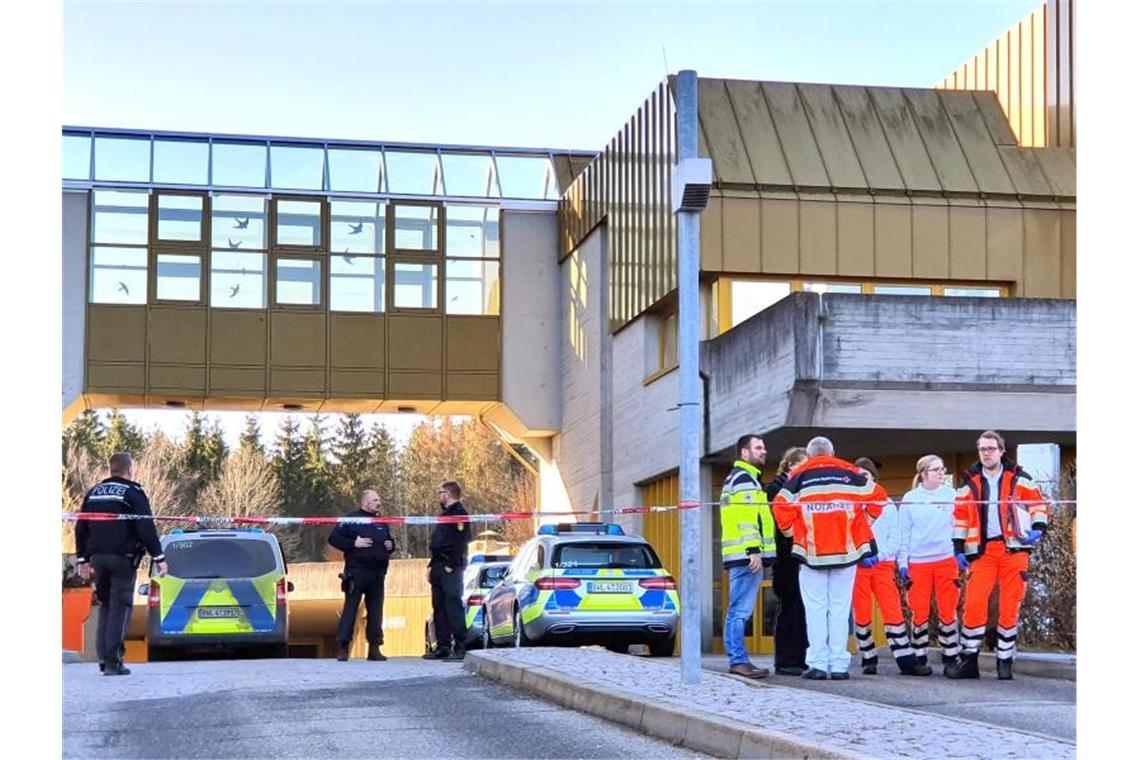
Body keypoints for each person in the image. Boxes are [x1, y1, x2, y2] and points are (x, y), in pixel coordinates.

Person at [772, 436, 886, 681]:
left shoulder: (798, 476)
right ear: (832, 453)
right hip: (846, 553)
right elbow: (879, 498)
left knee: (815, 609)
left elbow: (780, 507)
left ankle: (818, 664)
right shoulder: (851, 473)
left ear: (811, 456)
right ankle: (839, 665)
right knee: (840, 609)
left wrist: (794, 533)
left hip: (812, 554)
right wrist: (863, 526)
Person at [946, 431, 1047, 680]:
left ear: (1001, 451)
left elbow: (1038, 506)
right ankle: (969, 660)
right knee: (973, 604)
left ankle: (1005, 662)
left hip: (1014, 550)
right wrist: (958, 548)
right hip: (983, 552)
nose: (987, 453)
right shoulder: (969, 482)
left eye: (991, 448)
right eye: (982, 449)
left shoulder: (1020, 479)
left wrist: (1038, 529)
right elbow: (959, 518)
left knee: (1010, 605)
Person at [75, 452, 168, 677]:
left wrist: (82, 559)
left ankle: (104, 659)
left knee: (106, 606)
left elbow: (80, 527)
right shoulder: (133, 492)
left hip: (97, 559)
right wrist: (159, 557)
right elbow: (145, 526)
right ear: (129, 470)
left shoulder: (94, 492)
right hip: (122, 559)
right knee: (120, 607)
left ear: (111, 469)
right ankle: (114, 661)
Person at [851, 457, 928, 677]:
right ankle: (867, 657)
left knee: (892, 609)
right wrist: (860, 556)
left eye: (865, 475)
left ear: (874, 478)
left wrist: (878, 555)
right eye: (858, 475)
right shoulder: (851, 505)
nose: (862, 479)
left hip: (882, 565)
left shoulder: (886, 505)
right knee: (862, 612)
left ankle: (905, 659)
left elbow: (896, 536)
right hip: (858, 567)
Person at [719, 434, 776, 679]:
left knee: (740, 611)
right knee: (739, 612)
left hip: (743, 555)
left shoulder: (745, 478)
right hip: (746, 556)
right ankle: (738, 661)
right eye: (758, 447)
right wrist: (754, 550)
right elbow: (747, 519)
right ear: (744, 453)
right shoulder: (744, 479)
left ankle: (741, 660)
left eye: (763, 447)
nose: (764, 451)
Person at [897, 455, 960, 676]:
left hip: (945, 559)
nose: (941, 473)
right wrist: (902, 563)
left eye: (943, 469)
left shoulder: (952, 496)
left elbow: (959, 527)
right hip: (918, 561)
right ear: (924, 473)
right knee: (919, 611)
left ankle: (951, 656)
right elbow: (903, 533)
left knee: (948, 610)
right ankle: (919, 656)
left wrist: (959, 553)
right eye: (936, 470)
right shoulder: (911, 498)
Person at [328, 490, 396, 662]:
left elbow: (388, 540)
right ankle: (343, 648)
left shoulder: (381, 522)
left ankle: (374, 648)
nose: (379, 503)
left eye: (379, 500)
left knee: (376, 612)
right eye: (375, 500)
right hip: (356, 572)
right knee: (350, 610)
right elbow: (333, 538)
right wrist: (353, 543)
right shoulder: (351, 519)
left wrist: (391, 545)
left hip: (377, 573)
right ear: (365, 502)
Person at [764, 446, 809, 676]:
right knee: (790, 608)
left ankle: (799, 658)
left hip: (797, 555)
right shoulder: (776, 489)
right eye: (803, 465)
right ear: (791, 465)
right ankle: (785, 660)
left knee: (799, 608)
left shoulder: (800, 488)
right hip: (785, 557)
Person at [423, 481, 472, 661]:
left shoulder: (459, 514)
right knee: (439, 608)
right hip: (438, 566)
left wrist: (451, 564)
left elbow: (460, 542)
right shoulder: (444, 515)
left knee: (453, 606)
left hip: (451, 567)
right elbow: (438, 543)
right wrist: (431, 566)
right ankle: (442, 647)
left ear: (449, 494)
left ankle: (460, 646)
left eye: (440, 492)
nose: (438, 496)